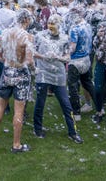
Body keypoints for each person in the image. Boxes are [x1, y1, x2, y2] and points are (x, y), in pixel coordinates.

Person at [32, 14, 83, 144]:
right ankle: (37, 129)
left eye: (54, 23)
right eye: (49, 23)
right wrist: (44, 56)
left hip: (58, 75)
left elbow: (67, 57)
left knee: (66, 104)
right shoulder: (40, 36)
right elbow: (32, 52)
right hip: (43, 73)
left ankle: (73, 132)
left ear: (59, 25)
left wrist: (58, 57)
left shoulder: (65, 38)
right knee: (40, 103)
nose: (50, 26)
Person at [0, 9, 34, 153]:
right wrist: (34, 70)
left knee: (1, 105)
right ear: (26, 20)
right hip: (21, 73)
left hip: (7, 71)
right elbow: (30, 60)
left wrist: (9, 61)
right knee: (19, 110)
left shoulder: (5, 33)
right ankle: (16, 144)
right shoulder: (27, 36)